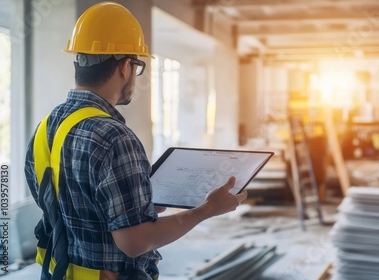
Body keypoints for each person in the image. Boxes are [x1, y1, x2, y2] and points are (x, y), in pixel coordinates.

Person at [24, 2, 247, 279]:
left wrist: (138, 206)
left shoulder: (46, 128)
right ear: (126, 66)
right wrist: (208, 209)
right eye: (138, 65)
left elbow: (68, 207)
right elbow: (135, 242)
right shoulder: (115, 138)